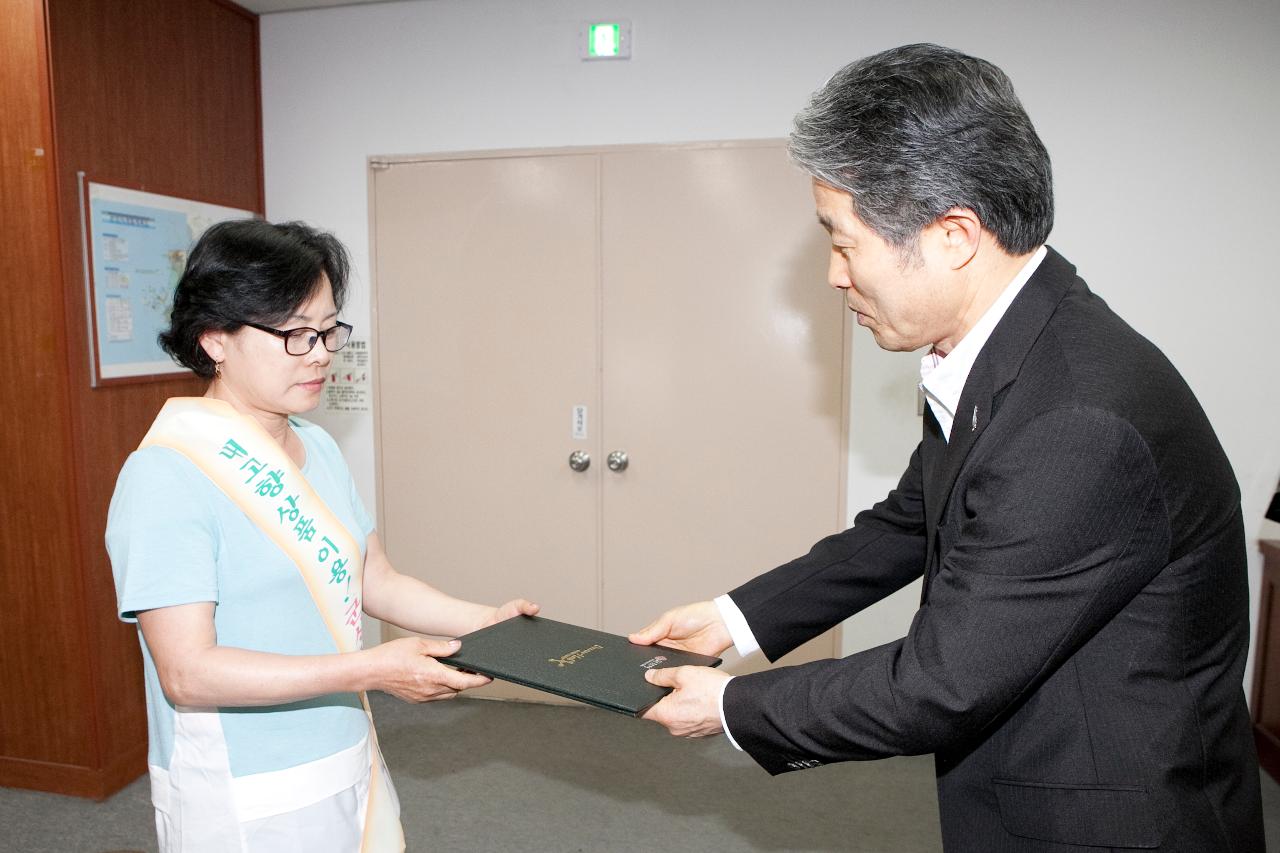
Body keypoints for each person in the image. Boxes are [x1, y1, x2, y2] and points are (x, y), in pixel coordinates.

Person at [630, 43, 1264, 851]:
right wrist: (734, 619)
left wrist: (730, 705)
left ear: (954, 234)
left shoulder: (1075, 417)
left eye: (843, 240)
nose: (832, 275)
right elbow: (909, 521)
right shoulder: (1005, 348)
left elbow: (941, 681)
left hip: (1110, 819)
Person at [106, 219, 538, 852]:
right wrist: (372, 668)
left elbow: (374, 578)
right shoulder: (166, 474)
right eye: (293, 334)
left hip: (343, 749)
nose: (320, 352)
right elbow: (188, 673)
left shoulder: (315, 446)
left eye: (328, 329)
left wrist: (488, 623)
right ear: (215, 339)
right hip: (242, 789)